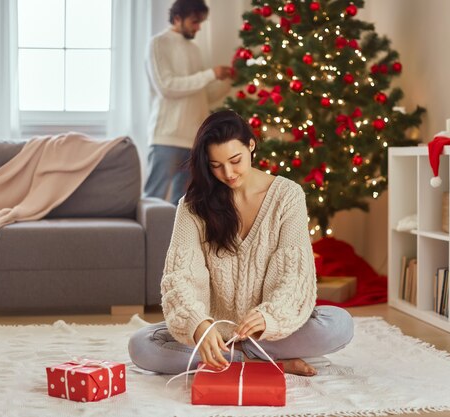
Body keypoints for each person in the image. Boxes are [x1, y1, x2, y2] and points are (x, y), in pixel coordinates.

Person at [129, 110, 354, 376]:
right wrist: (199, 323)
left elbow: (295, 277)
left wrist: (269, 316)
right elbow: (179, 277)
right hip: (215, 333)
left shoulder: (287, 196)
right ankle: (262, 363)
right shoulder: (192, 206)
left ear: (251, 145)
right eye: (216, 165)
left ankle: (236, 358)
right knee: (142, 345)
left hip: (268, 334)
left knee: (340, 324)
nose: (228, 173)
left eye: (235, 160)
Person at [144, 0, 232, 205]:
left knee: (183, 206)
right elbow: (166, 87)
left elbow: (204, 95)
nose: (198, 27)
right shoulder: (159, 43)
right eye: (194, 22)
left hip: (194, 141)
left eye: (200, 22)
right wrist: (210, 74)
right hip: (167, 138)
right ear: (177, 18)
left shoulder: (194, 49)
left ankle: (178, 240)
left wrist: (227, 80)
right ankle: (148, 239)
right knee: (153, 200)